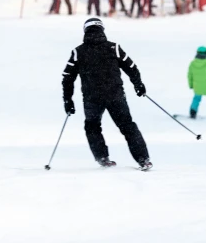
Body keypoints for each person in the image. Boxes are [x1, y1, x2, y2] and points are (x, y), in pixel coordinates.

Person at [61, 18, 152, 170]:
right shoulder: (113, 48)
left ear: (85, 31)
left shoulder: (78, 52)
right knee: (128, 127)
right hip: (115, 95)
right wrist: (138, 84)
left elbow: (67, 77)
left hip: (92, 98)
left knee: (92, 126)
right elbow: (131, 67)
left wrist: (68, 100)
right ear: (102, 30)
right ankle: (143, 159)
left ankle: (102, 157)